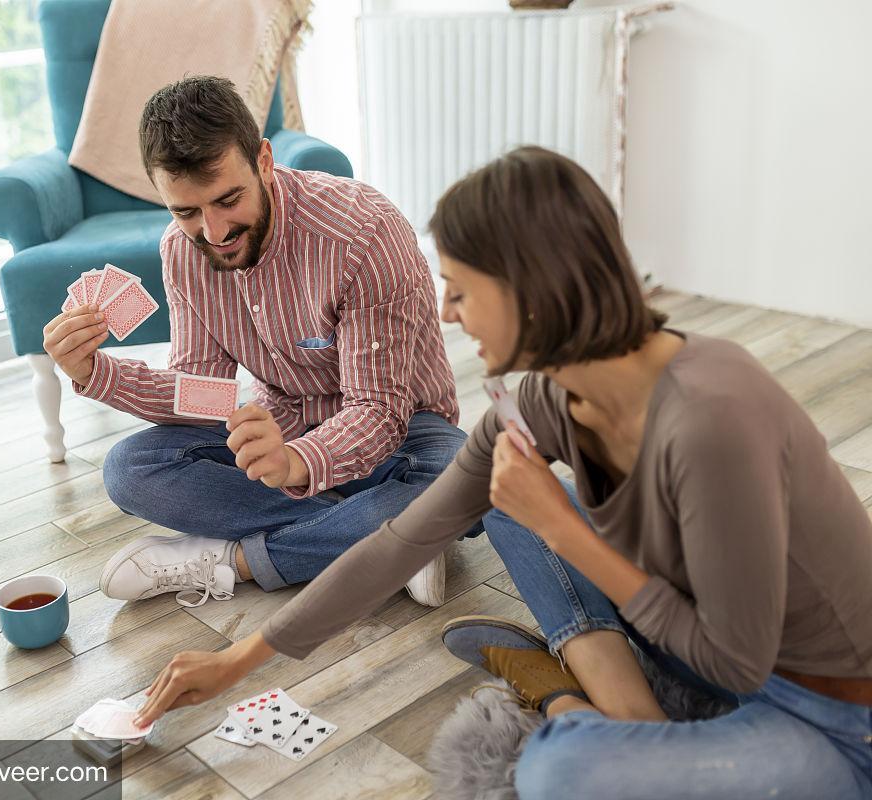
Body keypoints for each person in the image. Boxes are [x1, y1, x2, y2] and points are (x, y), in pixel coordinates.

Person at [131, 146, 872, 798]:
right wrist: (240, 660)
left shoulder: (712, 419)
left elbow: (733, 665)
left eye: (458, 288)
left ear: (528, 286)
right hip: (694, 641)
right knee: (505, 491)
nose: (448, 314)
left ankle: (565, 701)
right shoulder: (547, 399)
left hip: (838, 715)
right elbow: (401, 540)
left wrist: (564, 529)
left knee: (558, 775)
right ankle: (615, 701)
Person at [43, 75, 467, 609]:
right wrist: (94, 373)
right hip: (280, 428)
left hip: (404, 436)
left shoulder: (363, 233)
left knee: (458, 480)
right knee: (130, 469)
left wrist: (294, 463)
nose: (214, 232)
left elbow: (379, 410)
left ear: (263, 162)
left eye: (227, 200)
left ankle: (234, 562)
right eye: (186, 211)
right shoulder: (182, 250)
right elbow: (204, 396)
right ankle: (391, 539)